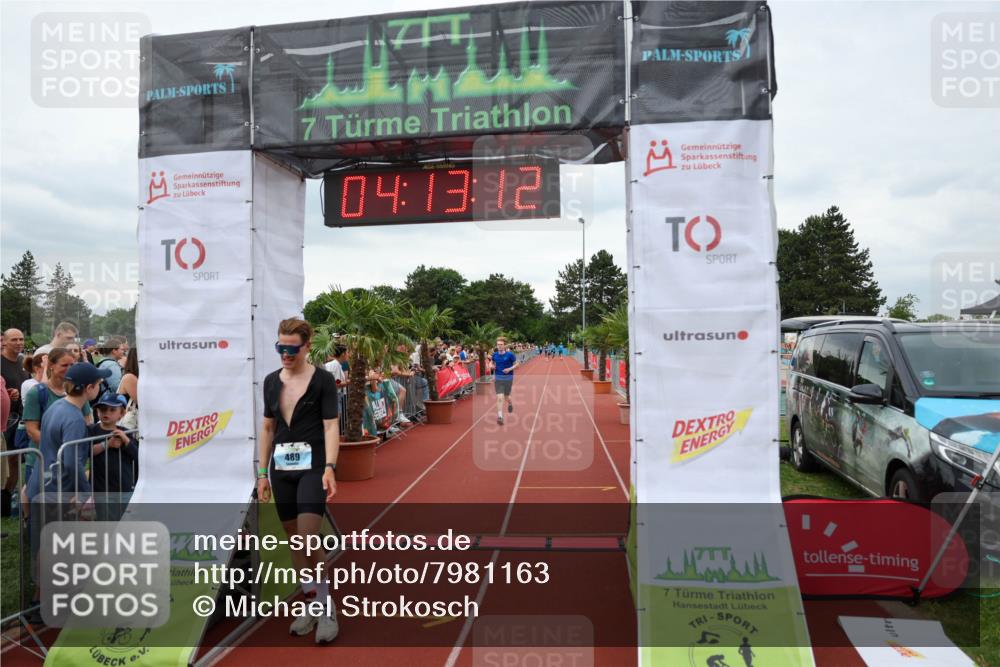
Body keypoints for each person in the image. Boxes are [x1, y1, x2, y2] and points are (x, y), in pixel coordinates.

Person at [257, 318, 339, 644]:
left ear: (307, 346)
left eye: (292, 348)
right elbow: (267, 429)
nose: (285, 354)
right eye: (281, 348)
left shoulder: (323, 381)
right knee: (293, 539)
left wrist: (330, 466)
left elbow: (331, 426)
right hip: (281, 469)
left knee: (307, 536)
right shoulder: (269, 382)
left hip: (314, 466)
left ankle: (326, 606)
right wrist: (262, 474)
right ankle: (310, 602)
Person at [88, 392, 139, 518]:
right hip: (102, 490)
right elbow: (85, 452)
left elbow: (138, 456)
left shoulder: (127, 432)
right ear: (97, 411)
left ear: (121, 413)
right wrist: (107, 444)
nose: (107, 413)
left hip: (125, 488)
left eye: (112, 410)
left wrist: (126, 441)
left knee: (125, 524)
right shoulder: (91, 430)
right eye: (103, 409)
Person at [1, 329, 28, 515]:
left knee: (16, 460)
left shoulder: (23, 362)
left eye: (21, 339)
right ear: (4, 341)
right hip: (5, 421)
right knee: (6, 462)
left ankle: (7, 499)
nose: (19, 343)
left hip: (20, 417)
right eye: (14, 340)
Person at [491, 337, 519, 425]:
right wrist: (491, 366)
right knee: (499, 397)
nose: (499, 346)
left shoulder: (510, 355)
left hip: (508, 378)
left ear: (504, 345)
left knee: (507, 397)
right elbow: (491, 363)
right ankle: (500, 417)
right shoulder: (494, 355)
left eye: (501, 344)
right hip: (498, 378)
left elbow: (517, 364)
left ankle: (510, 403)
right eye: (498, 344)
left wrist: (509, 369)